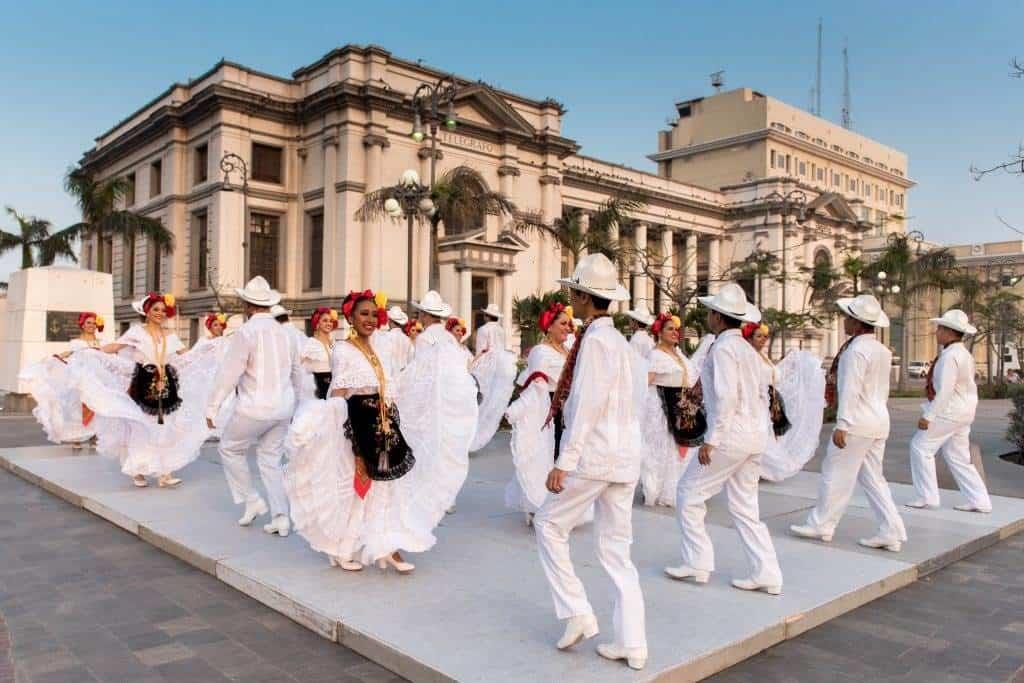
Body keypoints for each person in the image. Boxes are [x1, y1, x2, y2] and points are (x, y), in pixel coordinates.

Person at [533, 253, 647, 671]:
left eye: (573, 293)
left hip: (596, 456)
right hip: (622, 457)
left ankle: (579, 612)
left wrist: (565, 460)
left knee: (548, 524)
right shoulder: (618, 341)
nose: (570, 300)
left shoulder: (597, 342)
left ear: (583, 295)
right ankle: (633, 643)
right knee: (618, 551)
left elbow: (587, 404)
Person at [285, 289, 425, 572]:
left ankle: (386, 547)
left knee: (385, 488)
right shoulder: (344, 350)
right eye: (364, 314)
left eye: (374, 314)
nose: (370, 319)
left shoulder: (379, 347)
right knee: (357, 488)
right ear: (350, 317)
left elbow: (386, 386)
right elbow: (339, 393)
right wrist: (338, 433)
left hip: (383, 423)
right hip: (357, 424)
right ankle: (341, 547)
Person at [666, 284, 783, 595]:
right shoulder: (748, 349)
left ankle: (698, 562)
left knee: (689, 493)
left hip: (731, 436)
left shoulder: (723, 349)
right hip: (754, 437)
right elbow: (762, 393)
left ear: (718, 317)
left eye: (710, 312)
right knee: (746, 507)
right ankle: (767, 572)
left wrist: (712, 440)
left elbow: (727, 396)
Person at [790, 294, 908, 552]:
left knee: (835, 473)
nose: (844, 321)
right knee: (873, 479)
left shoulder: (855, 351)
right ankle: (892, 529)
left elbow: (850, 389)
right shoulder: (882, 351)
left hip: (857, 422)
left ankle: (821, 524)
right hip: (878, 420)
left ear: (856, 323)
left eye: (848, 317)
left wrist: (842, 424)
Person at [69, 293, 218, 488]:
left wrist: (211, 350)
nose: (160, 313)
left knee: (165, 426)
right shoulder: (136, 332)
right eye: (156, 309)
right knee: (142, 425)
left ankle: (164, 472)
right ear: (147, 311)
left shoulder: (170, 336)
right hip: (143, 381)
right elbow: (115, 347)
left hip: (166, 382)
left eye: (163, 310)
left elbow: (187, 356)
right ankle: (138, 468)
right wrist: (90, 353)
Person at [206, 276, 307, 537]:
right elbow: (298, 373)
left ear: (247, 305)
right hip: (283, 408)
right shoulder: (288, 334)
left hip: (254, 408)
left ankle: (252, 499)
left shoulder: (246, 332)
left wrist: (212, 407)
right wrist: (301, 405)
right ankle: (281, 517)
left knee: (229, 448)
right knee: (270, 460)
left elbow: (229, 373)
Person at [399, 291, 479, 517]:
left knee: (428, 446)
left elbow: (421, 374)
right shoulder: (449, 338)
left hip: (431, 400)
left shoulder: (424, 338)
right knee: (446, 447)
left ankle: (432, 495)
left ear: (425, 315)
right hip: (451, 400)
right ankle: (447, 496)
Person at [907, 309, 992, 513]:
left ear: (949, 331)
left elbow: (945, 391)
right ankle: (980, 501)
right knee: (958, 457)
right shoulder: (963, 354)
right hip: (963, 412)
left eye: (940, 329)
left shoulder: (950, 356)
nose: (936, 332)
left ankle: (928, 497)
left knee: (920, 447)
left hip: (950, 411)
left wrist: (929, 416)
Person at [505, 301, 572, 523]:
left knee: (564, 460)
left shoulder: (567, 350)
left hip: (568, 410)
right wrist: (518, 410)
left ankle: (559, 508)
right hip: (549, 411)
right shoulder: (541, 352)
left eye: (568, 324)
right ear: (549, 326)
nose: (567, 327)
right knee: (546, 458)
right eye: (562, 323)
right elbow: (535, 387)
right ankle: (539, 506)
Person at [742, 323, 826, 483]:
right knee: (762, 436)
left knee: (770, 437)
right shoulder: (749, 357)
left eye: (764, 337)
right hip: (758, 402)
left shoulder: (763, 357)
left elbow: (776, 374)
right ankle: (758, 469)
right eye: (758, 336)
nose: (763, 340)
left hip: (771, 402)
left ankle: (760, 469)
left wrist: (792, 361)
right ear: (749, 338)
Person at [20, 311, 105, 449]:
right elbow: (68, 354)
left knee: (97, 408)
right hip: (81, 380)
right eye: (88, 322)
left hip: (98, 380)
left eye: (94, 322)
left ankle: (94, 437)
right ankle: (77, 438)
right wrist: (53, 358)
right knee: (78, 409)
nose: (92, 325)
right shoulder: (77, 343)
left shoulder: (102, 343)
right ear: (82, 325)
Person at [640, 312, 697, 507]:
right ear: (659, 332)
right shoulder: (655, 355)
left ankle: (675, 488)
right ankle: (657, 489)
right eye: (670, 329)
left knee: (678, 451)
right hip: (661, 408)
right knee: (661, 450)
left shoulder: (678, 354)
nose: (675, 332)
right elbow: (644, 384)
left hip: (682, 407)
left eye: (676, 329)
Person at [469, 304, 518, 452]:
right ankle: (484, 429)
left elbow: (482, 350)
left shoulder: (483, 330)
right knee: (493, 398)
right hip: (502, 365)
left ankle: (474, 431)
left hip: (487, 365)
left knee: (480, 398)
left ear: (486, 316)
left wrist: (474, 365)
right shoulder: (501, 330)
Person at [302, 307, 339, 400]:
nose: (329, 323)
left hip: (335, 389)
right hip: (318, 391)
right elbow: (297, 365)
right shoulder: (311, 343)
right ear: (317, 323)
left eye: (331, 321)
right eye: (325, 321)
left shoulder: (335, 343)